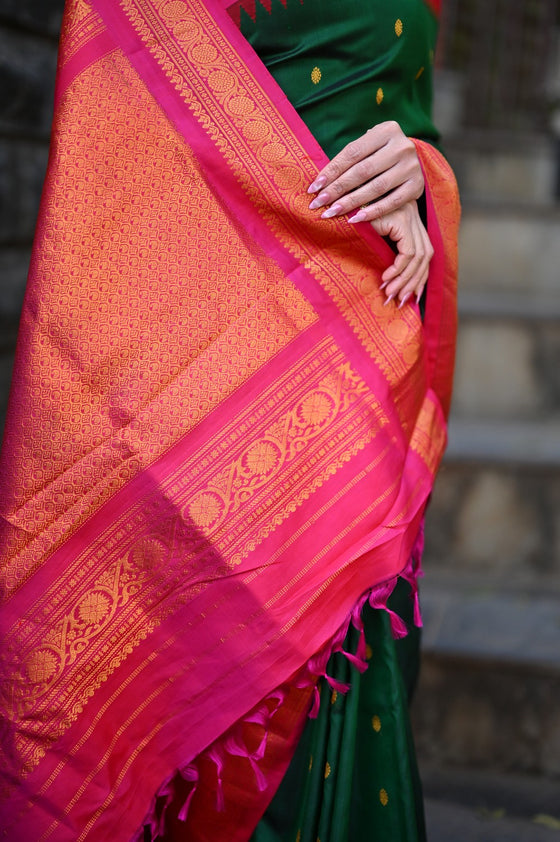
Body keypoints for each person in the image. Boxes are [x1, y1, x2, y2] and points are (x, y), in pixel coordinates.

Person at [0, 0, 458, 840]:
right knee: (217, 695)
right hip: (211, 359)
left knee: (347, 686)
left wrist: (416, 175)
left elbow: (400, 113)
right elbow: (128, 108)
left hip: (362, 360)